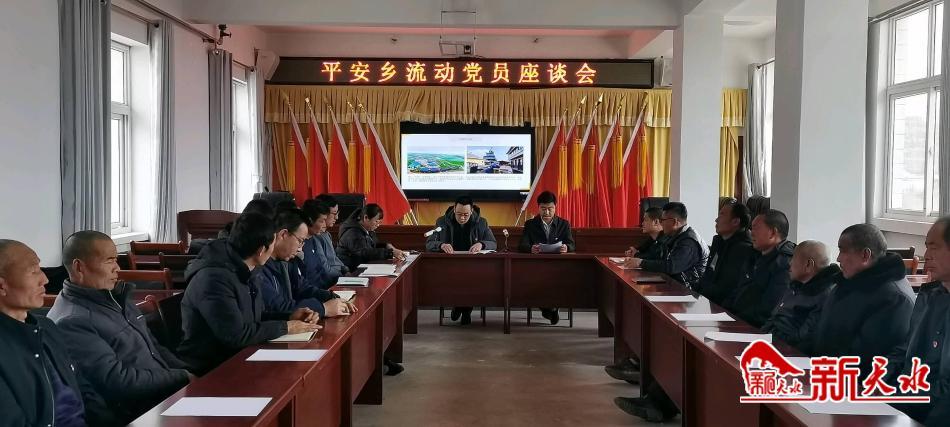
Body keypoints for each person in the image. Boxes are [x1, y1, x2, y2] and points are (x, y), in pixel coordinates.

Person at [47, 231, 191, 424]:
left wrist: (187, 372)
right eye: (109, 261)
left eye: (116, 259)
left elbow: (154, 348)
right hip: (140, 413)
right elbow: (118, 382)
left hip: (168, 393)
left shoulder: (115, 297)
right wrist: (182, 377)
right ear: (79, 267)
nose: (117, 268)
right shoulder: (72, 321)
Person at [178, 212, 321, 374]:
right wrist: (286, 327)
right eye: (272, 244)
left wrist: (290, 316)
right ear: (261, 250)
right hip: (210, 368)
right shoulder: (213, 279)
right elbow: (235, 335)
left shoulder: (247, 268)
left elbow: (255, 317)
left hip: (241, 356)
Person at [0, 239, 114, 426]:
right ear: (1, 286)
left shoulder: (47, 327)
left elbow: (82, 388)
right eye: (33, 271)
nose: (45, 279)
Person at [810, 223, 914, 376]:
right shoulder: (848, 281)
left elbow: (867, 359)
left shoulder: (894, 298)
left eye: (842, 251)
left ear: (865, 255)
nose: (838, 258)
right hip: (824, 371)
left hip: (853, 382)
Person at [888, 217, 950, 424]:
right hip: (908, 404)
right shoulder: (929, 297)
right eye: (926, 247)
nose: (926, 255)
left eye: (934, 247)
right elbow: (905, 351)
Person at [252, 209, 356, 319]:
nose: (300, 248)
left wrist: (333, 298)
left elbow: (304, 288)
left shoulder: (287, 262)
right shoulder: (259, 267)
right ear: (283, 234)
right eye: (300, 241)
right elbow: (278, 307)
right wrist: (323, 308)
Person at [425, 196, 498, 325]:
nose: (462, 218)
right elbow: (429, 244)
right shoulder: (442, 222)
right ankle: (461, 308)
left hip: (474, 266)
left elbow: (493, 243)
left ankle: (462, 309)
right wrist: (441, 245)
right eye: (459, 214)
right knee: (457, 279)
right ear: (454, 209)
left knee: (472, 280)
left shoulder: (482, 222)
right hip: (449, 266)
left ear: (471, 211)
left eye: (466, 214)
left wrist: (481, 244)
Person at [761, 240, 839, 351]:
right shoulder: (795, 285)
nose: (790, 263)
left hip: (789, 352)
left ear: (808, 265)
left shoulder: (826, 296)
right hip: (770, 343)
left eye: (793, 258)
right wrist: (761, 337)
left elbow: (804, 339)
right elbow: (774, 317)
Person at [724, 209, 796, 328]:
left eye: (756, 228)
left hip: (756, 328)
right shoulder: (754, 254)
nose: (751, 233)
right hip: (738, 320)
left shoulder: (784, 264)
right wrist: (724, 312)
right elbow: (738, 290)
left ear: (772, 233)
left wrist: (734, 320)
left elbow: (767, 309)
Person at [517, 191, 575, 324]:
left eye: (550, 209)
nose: (547, 212)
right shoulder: (530, 224)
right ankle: (551, 309)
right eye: (543, 209)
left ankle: (550, 308)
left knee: (557, 280)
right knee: (536, 281)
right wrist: (531, 248)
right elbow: (522, 245)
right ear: (538, 208)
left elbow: (571, 244)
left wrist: (566, 247)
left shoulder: (564, 224)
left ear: (555, 207)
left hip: (558, 266)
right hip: (536, 266)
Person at [626, 202, 708, 290]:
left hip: (689, 290)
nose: (661, 224)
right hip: (675, 283)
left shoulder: (688, 242)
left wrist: (640, 262)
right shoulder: (674, 235)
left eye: (663, 220)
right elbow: (659, 257)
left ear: (675, 222)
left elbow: (672, 266)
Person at [694, 201, 754, 305]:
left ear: (735, 221)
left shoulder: (744, 250)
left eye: (721, 215)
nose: (716, 220)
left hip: (724, 306)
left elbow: (727, 286)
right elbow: (709, 273)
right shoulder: (719, 242)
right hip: (708, 300)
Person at [336, 203, 407, 271]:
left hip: (362, 268)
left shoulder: (368, 229)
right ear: (366, 218)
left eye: (380, 222)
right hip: (350, 271)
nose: (378, 225)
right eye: (376, 221)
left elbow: (372, 246)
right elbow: (364, 253)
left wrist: (387, 245)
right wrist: (390, 253)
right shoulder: (352, 233)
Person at [306, 194, 349, 289]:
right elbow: (324, 268)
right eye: (334, 213)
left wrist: (346, 271)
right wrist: (343, 276)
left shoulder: (326, 234)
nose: (337, 218)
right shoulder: (315, 237)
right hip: (328, 283)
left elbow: (334, 259)